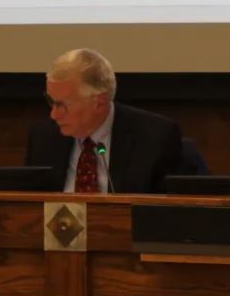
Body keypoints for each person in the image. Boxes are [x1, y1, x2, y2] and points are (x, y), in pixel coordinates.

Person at [26, 49, 181, 194]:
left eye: (62, 105)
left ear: (100, 102)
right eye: (51, 101)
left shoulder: (155, 138)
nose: (53, 115)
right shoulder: (42, 137)